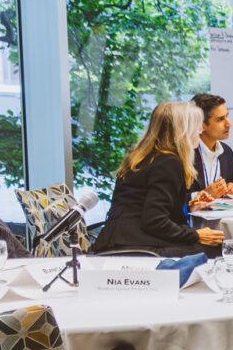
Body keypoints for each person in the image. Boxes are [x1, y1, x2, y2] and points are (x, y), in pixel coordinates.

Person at [91, 101, 224, 257]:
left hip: (116, 240)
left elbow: (140, 206)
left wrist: (188, 207)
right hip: (137, 245)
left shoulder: (141, 157)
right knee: (217, 249)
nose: (200, 130)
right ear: (182, 131)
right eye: (196, 126)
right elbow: (155, 221)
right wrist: (196, 235)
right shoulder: (169, 162)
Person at [188, 93, 233, 210]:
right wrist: (203, 195)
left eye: (227, 116)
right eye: (220, 119)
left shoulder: (226, 152)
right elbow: (173, 200)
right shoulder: (186, 153)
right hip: (192, 221)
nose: (228, 124)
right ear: (202, 124)